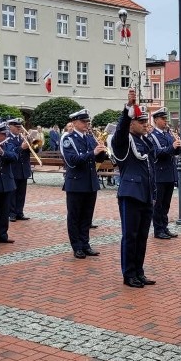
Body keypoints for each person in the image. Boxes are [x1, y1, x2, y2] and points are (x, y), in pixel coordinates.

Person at [112, 90, 157, 288]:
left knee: (142, 236)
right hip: (130, 194)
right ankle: (128, 274)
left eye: (146, 122)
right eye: (141, 122)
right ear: (132, 123)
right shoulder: (123, 141)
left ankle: (139, 271)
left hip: (145, 194)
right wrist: (127, 109)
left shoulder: (143, 140)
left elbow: (151, 160)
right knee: (130, 236)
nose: (145, 125)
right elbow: (120, 131)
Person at [60, 109, 107, 258]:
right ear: (74, 123)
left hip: (90, 182)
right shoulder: (68, 139)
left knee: (87, 216)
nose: (87, 124)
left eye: (87, 122)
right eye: (83, 122)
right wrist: (92, 153)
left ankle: (85, 244)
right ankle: (77, 246)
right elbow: (72, 161)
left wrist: (102, 151)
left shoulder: (89, 137)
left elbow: (99, 160)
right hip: (76, 183)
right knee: (75, 216)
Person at [148, 108, 181, 239]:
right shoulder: (152, 136)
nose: (165, 121)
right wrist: (172, 147)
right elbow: (156, 153)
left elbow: (174, 152)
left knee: (166, 203)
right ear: (156, 120)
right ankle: (158, 229)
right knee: (159, 203)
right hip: (159, 174)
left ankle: (164, 226)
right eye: (163, 119)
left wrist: (178, 146)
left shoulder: (168, 134)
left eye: (165, 119)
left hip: (169, 173)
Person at [7, 119, 32, 223]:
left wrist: (33, 142)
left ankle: (19, 212)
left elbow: (35, 149)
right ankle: (12, 213)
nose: (19, 128)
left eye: (20, 127)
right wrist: (22, 147)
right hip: (14, 169)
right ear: (10, 127)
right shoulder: (7, 139)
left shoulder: (23, 137)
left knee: (22, 193)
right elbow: (11, 152)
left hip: (23, 169)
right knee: (13, 193)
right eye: (16, 127)